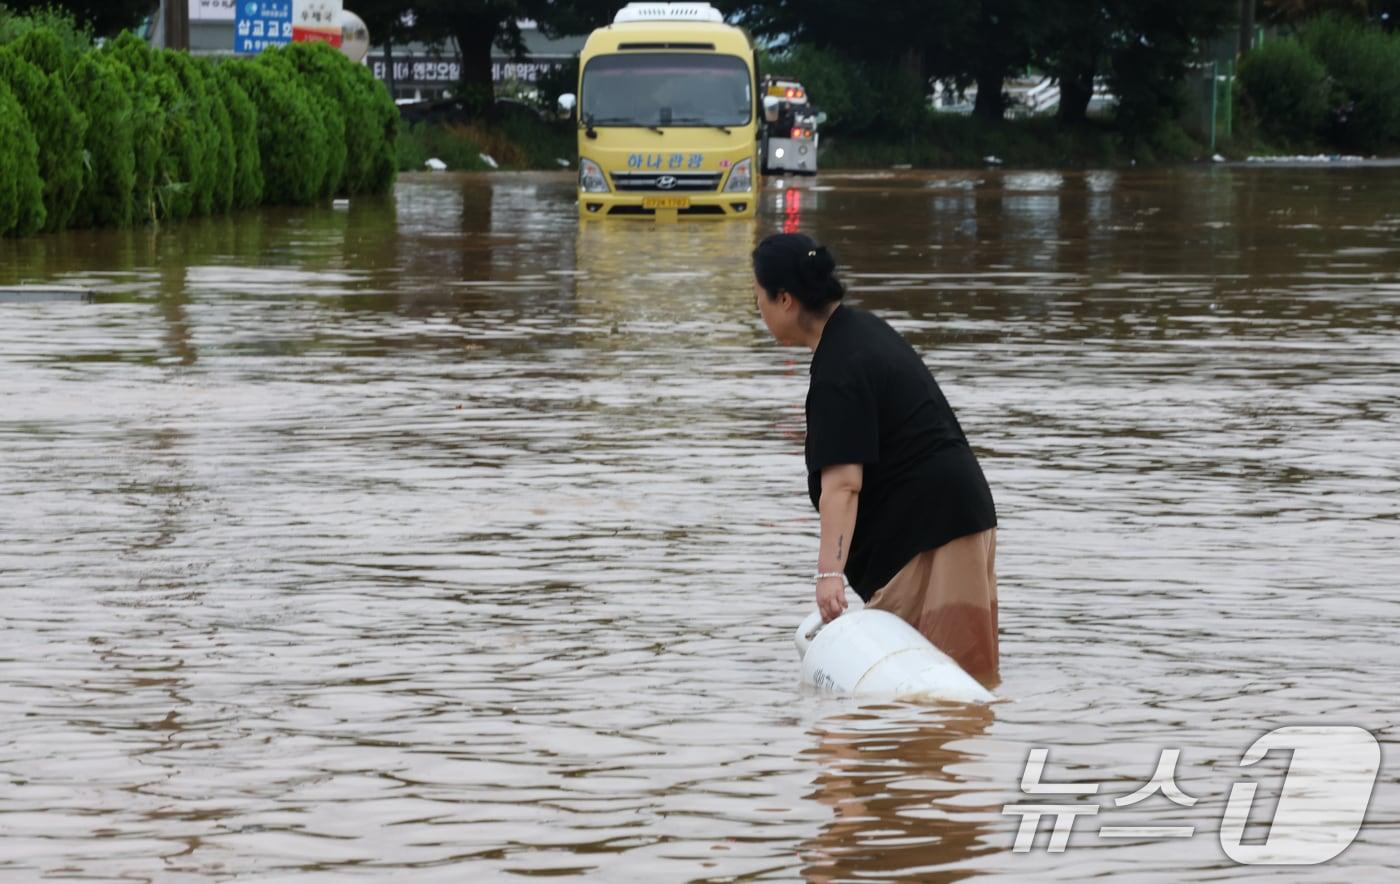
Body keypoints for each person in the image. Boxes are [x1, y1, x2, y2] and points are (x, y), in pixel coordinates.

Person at [752, 232, 1000, 681]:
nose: (758, 310)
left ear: (785, 299)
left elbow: (843, 483)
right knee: (960, 682)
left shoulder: (837, 368)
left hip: (934, 534)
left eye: (758, 298)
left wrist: (829, 575)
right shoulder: (860, 332)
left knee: (943, 691)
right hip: (956, 520)